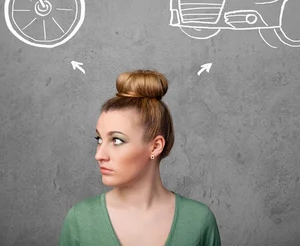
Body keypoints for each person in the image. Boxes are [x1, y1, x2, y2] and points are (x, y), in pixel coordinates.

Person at [59, 69, 221, 245]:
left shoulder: (198, 221)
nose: (99, 155)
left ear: (156, 146)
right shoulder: (80, 219)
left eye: (117, 140)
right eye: (99, 139)